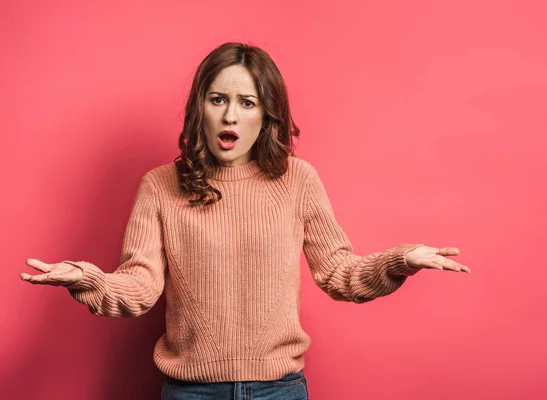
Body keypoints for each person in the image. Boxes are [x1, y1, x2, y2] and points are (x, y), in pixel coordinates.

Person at [20, 41, 471, 400]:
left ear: (266, 115)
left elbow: (339, 272)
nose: (230, 114)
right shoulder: (160, 186)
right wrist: (88, 280)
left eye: (247, 102)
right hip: (190, 392)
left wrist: (399, 261)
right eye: (218, 99)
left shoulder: (298, 180)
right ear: (201, 108)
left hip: (280, 391)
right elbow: (140, 286)